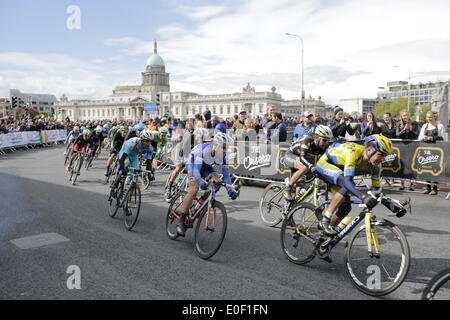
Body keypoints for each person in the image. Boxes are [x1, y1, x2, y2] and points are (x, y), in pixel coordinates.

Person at [315, 134, 396, 237]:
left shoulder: (376, 166)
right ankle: (325, 220)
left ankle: (324, 236)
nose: (382, 159)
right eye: (380, 154)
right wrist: (363, 196)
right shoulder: (353, 153)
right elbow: (347, 182)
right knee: (347, 184)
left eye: (384, 156)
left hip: (339, 172)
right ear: (370, 149)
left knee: (346, 208)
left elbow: (375, 191)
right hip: (326, 164)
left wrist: (390, 205)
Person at [175, 132, 239, 237]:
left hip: (206, 167)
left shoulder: (224, 156)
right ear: (215, 145)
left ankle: (200, 202)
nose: (225, 151)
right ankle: (181, 220)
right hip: (193, 164)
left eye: (226, 148)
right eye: (223, 147)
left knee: (217, 182)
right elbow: (196, 171)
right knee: (194, 187)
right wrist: (201, 181)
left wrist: (230, 191)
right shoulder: (205, 150)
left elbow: (226, 176)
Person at [283, 125, 333, 201]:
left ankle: (293, 205)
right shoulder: (308, 140)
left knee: (301, 186)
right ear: (316, 137)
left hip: (304, 160)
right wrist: (310, 166)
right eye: (324, 140)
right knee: (304, 167)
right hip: (291, 155)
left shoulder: (323, 145)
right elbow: (302, 158)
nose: (326, 143)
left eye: (328, 140)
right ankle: (287, 188)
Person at [110, 131, 155, 199]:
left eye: (150, 141)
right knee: (124, 167)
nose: (148, 143)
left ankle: (129, 190)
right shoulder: (132, 143)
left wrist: (149, 174)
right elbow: (122, 159)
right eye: (146, 141)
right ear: (142, 140)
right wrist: (122, 169)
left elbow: (149, 164)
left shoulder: (150, 148)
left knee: (135, 171)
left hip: (134, 156)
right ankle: (115, 186)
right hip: (125, 154)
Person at [165, 122, 196, 200]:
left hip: (188, 153)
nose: (191, 130)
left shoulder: (194, 135)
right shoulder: (184, 133)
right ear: (186, 128)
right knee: (179, 167)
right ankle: (169, 187)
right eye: (190, 129)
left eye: (192, 129)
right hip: (178, 152)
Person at [418, 111, 447, 195]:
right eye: (427, 117)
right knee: (426, 168)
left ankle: (435, 188)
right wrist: (424, 137)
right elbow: (420, 137)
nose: (429, 119)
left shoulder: (440, 126)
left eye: (430, 117)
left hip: (436, 151)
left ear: (435, 117)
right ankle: (428, 187)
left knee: (435, 168)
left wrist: (431, 138)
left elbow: (443, 138)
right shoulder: (424, 126)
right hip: (426, 149)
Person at [396, 110, 419, 191]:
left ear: (409, 116)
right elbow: (397, 135)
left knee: (412, 164)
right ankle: (402, 184)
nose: (405, 117)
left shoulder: (414, 123)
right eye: (404, 115)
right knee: (402, 165)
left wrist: (411, 130)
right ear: (401, 116)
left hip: (412, 145)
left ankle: (412, 184)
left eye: (407, 115)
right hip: (402, 146)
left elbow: (416, 134)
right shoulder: (399, 123)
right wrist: (404, 129)